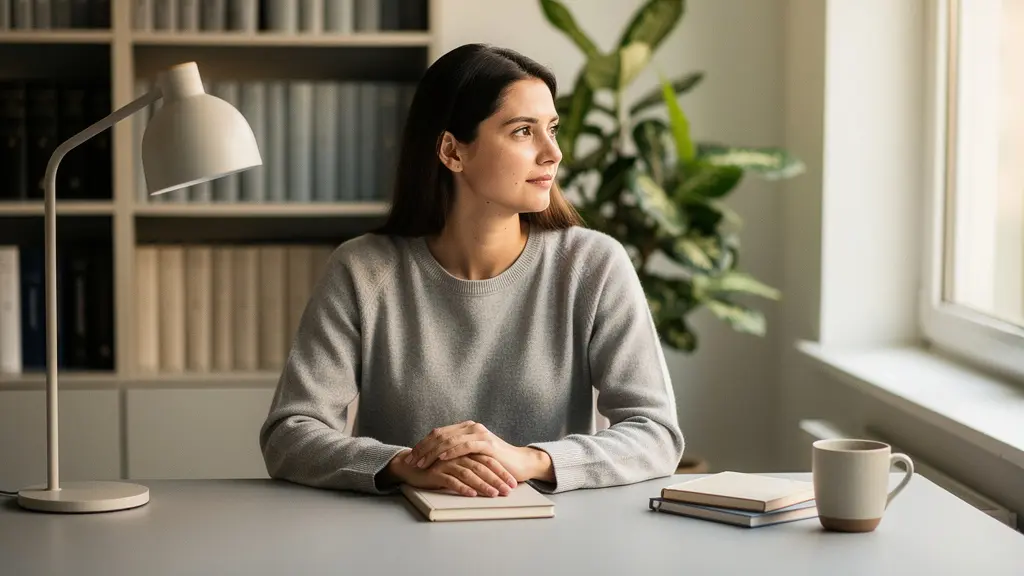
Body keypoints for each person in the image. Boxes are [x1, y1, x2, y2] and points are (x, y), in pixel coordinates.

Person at [258, 43, 684, 498]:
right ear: (451, 151)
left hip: (554, 540)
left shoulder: (592, 265)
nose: (552, 153)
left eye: (552, 129)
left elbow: (656, 434)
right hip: (397, 541)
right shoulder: (363, 270)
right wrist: (400, 465)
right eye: (523, 131)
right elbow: (289, 433)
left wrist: (529, 460)